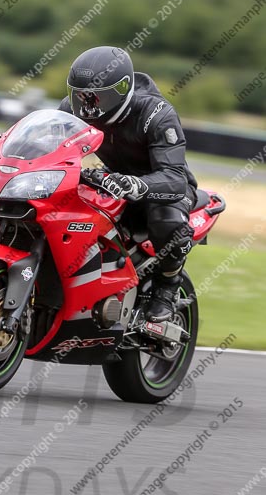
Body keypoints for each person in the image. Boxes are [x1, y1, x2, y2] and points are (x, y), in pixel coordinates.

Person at [59, 45, 198, 322]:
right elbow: (48, 147)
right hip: (112, 180)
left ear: (121, 90)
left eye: (97, 97)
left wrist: (134, 184)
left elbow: (174, 178)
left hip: (165, 186)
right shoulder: (69, 111)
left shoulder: (155, 113)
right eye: (81, 96)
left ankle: (167, 287)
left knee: (166, 219)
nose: (88, 106)